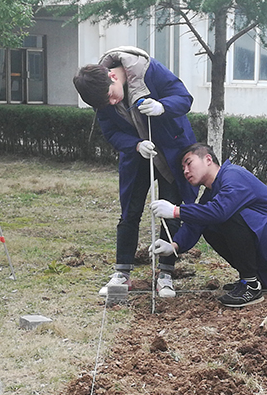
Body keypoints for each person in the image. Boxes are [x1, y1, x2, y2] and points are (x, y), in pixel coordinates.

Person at [73, 46, 198, 298]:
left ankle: (166, 274)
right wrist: (136, 145)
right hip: (138, 154)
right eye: (106, 103)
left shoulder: (149, 70)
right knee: (130, 211)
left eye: (111, 96)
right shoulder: (99, 94)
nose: (111, 103)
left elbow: (184, 98)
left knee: (170, 209)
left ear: (113, 76)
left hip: (171, 149)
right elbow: (111, 133)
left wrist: (162, 106)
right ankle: (122, 273)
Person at [149, 142, 267, 307]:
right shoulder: (212, 193)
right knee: (208, 223)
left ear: (208, 159)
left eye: (189, 163)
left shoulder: (233, 175)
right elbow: (196, 224)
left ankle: (251, 284)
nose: (186, 171)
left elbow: (220, 211)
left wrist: (176, 211)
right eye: (183, 168)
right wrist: (173, 246)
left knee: (226, 215)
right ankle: (253, 279)